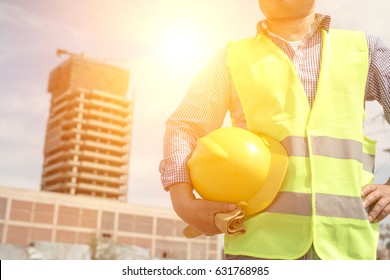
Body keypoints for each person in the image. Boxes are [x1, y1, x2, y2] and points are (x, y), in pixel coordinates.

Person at [159, 0, 390, 260]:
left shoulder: (365, 50)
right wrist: (182, 201)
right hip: (258, 249)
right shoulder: (231, 58)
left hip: (347, 250)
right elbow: (185, 126)